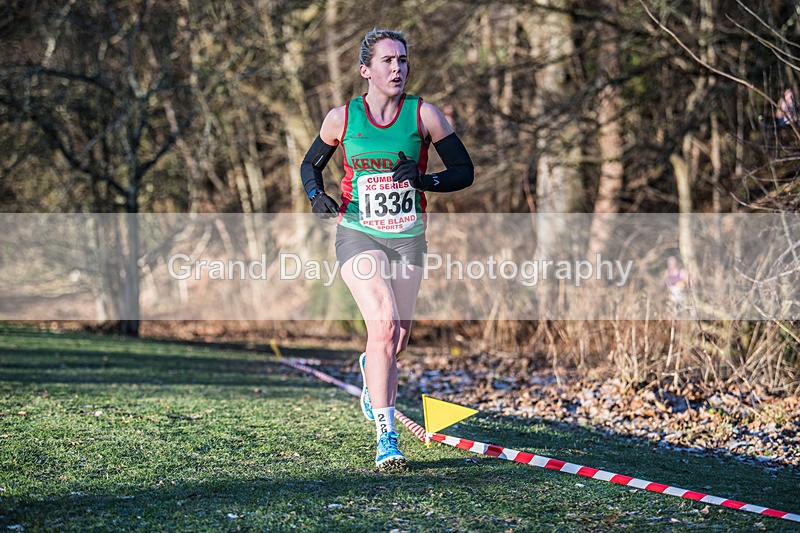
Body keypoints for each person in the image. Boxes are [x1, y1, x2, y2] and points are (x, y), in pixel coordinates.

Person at [299, 29, 474, 471]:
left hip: (408, 235)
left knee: (397, 338)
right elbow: (310, 165)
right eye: (387, 61)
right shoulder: (342, 118)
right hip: (358, 232)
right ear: (366, 70)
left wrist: (423, 181)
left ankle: (371, 367)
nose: (397, 68)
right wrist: (315, 195)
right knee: (384, 324)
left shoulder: (424, 116)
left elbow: (463, 171)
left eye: (402, 60)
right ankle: (387, 436)